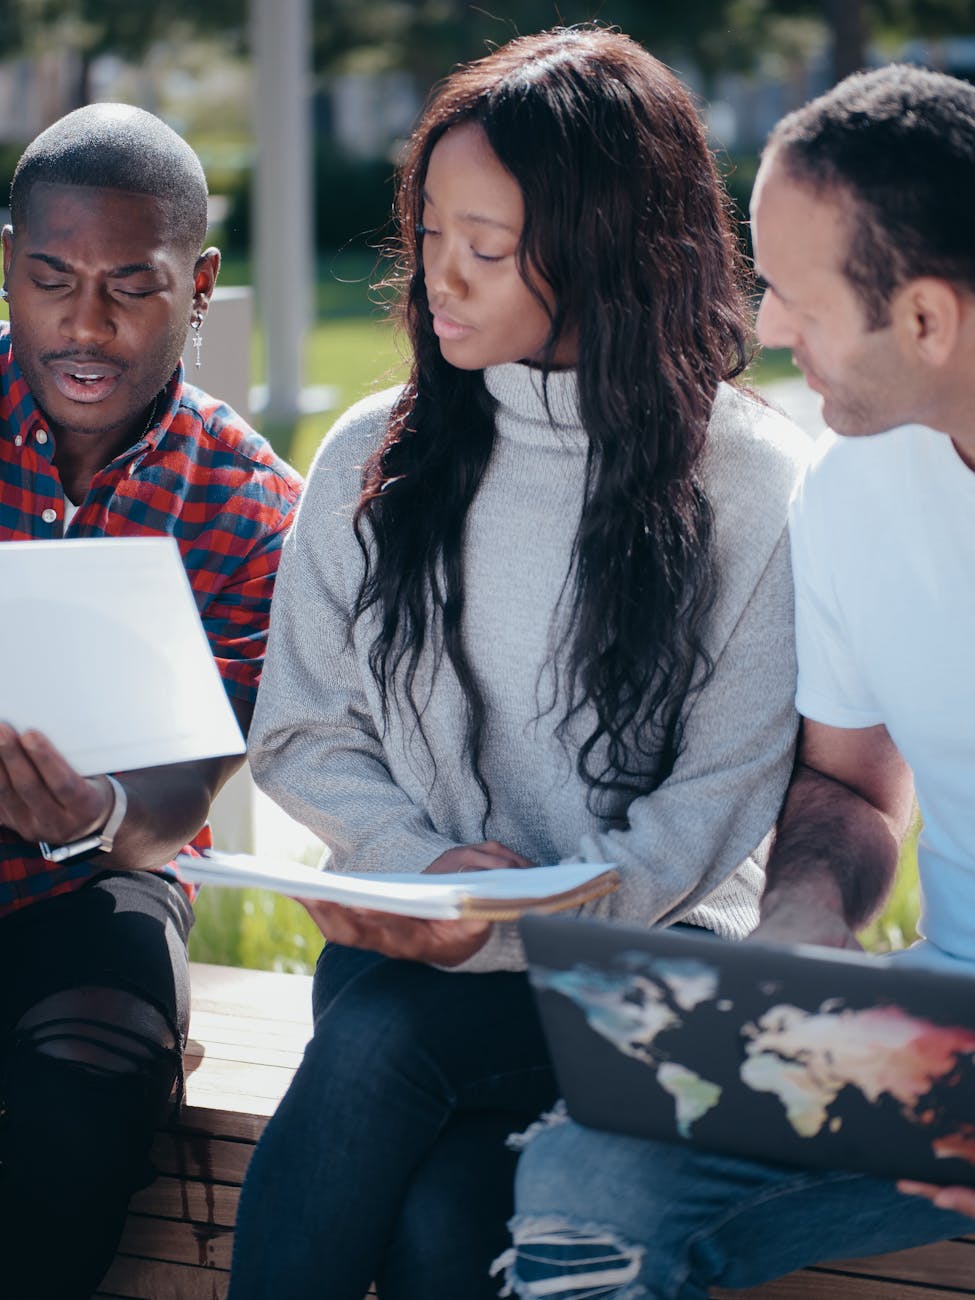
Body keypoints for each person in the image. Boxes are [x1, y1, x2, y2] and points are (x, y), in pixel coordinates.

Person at [232, 24, 808, 1300]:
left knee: (394, 1068)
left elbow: (717, 806)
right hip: (407, 939)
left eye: (485, 248)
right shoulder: (372, 455)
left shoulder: (750, 487)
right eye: (430, 230)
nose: (442, 275)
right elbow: (305, 730)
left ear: (606, 255)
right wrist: (424, 871)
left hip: (641, 976)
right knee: (442, 1219)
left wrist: (511, 930)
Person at [502, 62, 975, 1300]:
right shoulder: (852, 486)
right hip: (942, 1044)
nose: (763, 327)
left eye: (797, 298)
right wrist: (805, 925)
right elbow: (853, 786)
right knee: (585, 1182)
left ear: (925, 319)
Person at [0, 103, 301, 1299]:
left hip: (96, 870)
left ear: (200, 283)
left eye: (133, 285)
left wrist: (87, 810)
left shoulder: (252, 504)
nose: (85, 325)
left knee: (93, 1069)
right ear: (8, 264)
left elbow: (180, 797)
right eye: (50, 278)